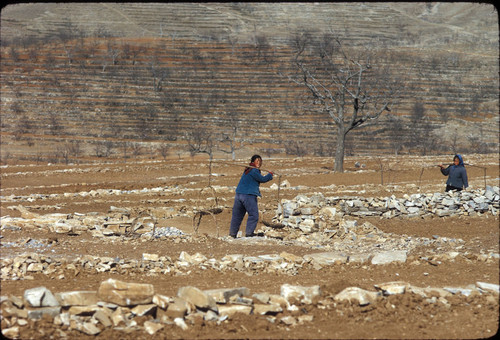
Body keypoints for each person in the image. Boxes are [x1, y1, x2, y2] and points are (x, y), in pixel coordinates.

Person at [229, 155, 274, 238]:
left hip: (239, 194)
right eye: (257, 161)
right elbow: (262, 179)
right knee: (254, 215)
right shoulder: (254, 171)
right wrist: (270, 175)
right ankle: (249, 233)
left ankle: (232, 234)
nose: (259, 163)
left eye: (260, 161)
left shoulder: (247, 170)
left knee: (237, 215)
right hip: (248, 195)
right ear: (253, 162)